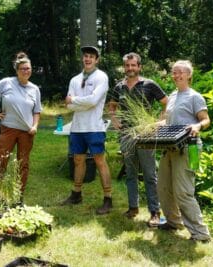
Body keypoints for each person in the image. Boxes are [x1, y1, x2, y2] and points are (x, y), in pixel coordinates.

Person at [108, 52, 168, 227]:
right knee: (130, 173)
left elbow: (166, 102)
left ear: (139, 67)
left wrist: (159, 121)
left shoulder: (149, 84)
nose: (130, 68)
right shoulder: (119, 87)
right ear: (124, 67)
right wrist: (114, 120)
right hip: (126, 135)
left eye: (133, 65)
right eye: (127, 65)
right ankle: (133, 208)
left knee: (150, 174)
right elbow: (111, 105)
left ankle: (155, 212)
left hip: (146, 135)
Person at [157, 60, 211, 242]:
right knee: (163, 187)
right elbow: (168, 122)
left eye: (180, 72)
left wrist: (197, 125)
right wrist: (153, 126)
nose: (177, 75)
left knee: (183, 191)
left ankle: (200, 233)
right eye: (174, 72)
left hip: (189, 148)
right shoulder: (172, 96)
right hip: (170, 147)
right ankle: (173, 222)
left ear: (189, 75)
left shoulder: (194, 96)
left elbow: (205, 120)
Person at [61, 46, 113, 215]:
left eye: (91, 56)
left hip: (94, 127)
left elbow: (93, 101)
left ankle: (108, 199)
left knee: (99, 161)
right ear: (82, 59)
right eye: (85, 56)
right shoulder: (74, 79)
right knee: (77, 160)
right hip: (77, 127)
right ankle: (76, 195)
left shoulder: (101, 77)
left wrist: (76, 101)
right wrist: (80, 103)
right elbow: (68, 105)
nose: (87, 59)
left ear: (96, 59)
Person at [0, 52, 42, 195]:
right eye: (23, 69)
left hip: (26, 132)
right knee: (0, 160)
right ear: (17, 70)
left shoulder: (35, 89)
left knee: (23, 164)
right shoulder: (6, 82)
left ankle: (18, 195)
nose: (26, 71)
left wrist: (35, 126)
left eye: (28, 68)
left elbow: (37, 111)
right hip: (8, 129)